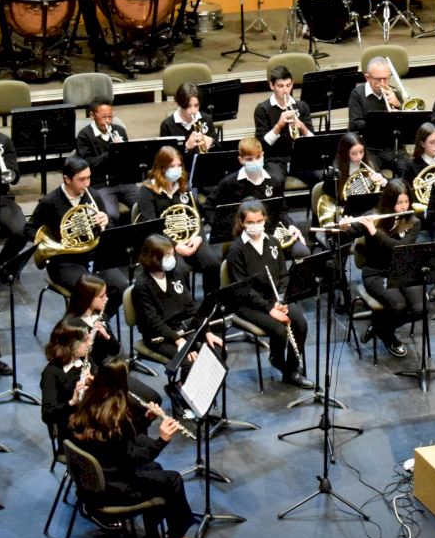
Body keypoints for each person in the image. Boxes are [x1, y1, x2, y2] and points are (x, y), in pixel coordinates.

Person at [68, 358, 200, 538]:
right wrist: (162, 440)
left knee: (156, 469)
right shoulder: (116, 417)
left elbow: (119, 442)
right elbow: (135, 458)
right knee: (173, 480)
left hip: (95, 478)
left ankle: (152, 531)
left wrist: (146, 419)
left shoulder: (89, 401)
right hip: (113, 489)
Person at [225, 199, 312, 389]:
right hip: (246, 303)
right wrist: (270, 309)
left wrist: (282, 299)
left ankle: (292, 369)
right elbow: (243, 290)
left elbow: (283, 275)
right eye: (250, 222)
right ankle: (278, 359)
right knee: (280, 330)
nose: (255, 226)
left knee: (301, 323)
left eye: (259, 221)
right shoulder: (236, 250)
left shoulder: (273, 242)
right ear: (242, 223)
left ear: (265, 219)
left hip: (274, 298)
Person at [28, 156, 126, 317]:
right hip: (64, 261)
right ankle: (87, 326)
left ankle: (100, 323)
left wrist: (105, 222)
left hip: (93, 256)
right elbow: (29, 229)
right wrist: (54, 239)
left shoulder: (93, 195)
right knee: (89, 292)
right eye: (82, 179)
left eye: (89, 178)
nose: (87, 183)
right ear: (67, 179)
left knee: (121, 287)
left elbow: (107, 232)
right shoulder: (50, 202)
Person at [65, 274, 162, 409]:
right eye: (102, 296)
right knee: (140, 407)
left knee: (154, 398)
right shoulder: (72, 326)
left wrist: (107, 337)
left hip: (109, 369)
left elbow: (115, 350)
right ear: (88, 298)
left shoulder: (99, 316)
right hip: (92, 377)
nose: (106, 299)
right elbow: (74, 364)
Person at [135, 146, 221, 297]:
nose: (177, 170)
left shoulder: (183, 187)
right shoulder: (147, 191)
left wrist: (199, 237)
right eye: (172, 166)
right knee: (181, 270)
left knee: (212, 264)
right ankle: (186, 306)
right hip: (165, 243)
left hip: (190, 238)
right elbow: (151, 227)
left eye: (179, 165)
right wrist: (175, 245)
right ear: (161, 168)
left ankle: (212, 304)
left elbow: (195, 216)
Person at [131, 234, 222, 374]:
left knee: (216, 350)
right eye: (167, 256)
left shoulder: (175, 273)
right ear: (154, 258)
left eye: (173, 254)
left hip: (180, 328)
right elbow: (153, 322)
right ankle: (183, 385)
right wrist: (178, 340)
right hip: (159, 336)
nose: (172, 259)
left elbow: (190, 305)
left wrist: (206, 331)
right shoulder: (142, 285)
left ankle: (195, 386)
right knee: (190, 362)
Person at [351, 180, 423, 358]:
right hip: (375, 272)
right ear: (389, 202)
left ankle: (379, 326)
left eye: (406, 202)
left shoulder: (414, 222)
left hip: (402, 270)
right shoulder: (374, 216)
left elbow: (399, 249)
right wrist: (346, 226)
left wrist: (375, 233)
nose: (403, 207)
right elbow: (350, 232)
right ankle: (388, 335)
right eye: (399, 203)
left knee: (420, 309)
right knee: (398, 306)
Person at [209, 137, 310, 260]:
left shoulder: (274, 181)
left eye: (258, 157)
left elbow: (282, 211)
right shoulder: (229, 183)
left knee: (302, 251)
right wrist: (228, 228)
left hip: (271, 232)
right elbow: (208, 206)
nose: (255, 162)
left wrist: (291, 226)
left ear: (263, 156)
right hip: (244, 235)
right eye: (249, 159)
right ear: (241, 160)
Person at [75, 96, 136, 223]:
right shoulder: (84, 135)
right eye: (104, 117)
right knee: (110, 215)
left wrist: (125, 150)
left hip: (123, 182)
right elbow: (87, 164)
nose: (108, 120)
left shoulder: (119, 131)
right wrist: (111, 151)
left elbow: (129, 160)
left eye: (110, 116)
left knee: (145, 204)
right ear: (92, 115)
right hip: (101, 185)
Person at [253, 65, 315, 185]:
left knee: (322, 175)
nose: (285, 90)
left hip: (299, 158)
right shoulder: (262, 109)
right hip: (274, 159)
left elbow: (312, 141)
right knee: (276, 181)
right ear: (272, 86)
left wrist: (302, 127)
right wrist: (278, 126)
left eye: (288, 85)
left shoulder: (302, 106)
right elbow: (261, 145)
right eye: (280, 86)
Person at [348, 56, 409, 175]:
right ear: (367, 77)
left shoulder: (394, 92)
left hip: (392, 147)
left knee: (408, 168)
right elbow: (355, 123)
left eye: (385, 79)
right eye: (377, 80)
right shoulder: (357, 94)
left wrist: (398, 104)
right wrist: (380, 122)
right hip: (369, 148)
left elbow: (406, 123)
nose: (382, 83)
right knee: (371, 174)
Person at [329, 131, 387, 208]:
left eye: (361, 152)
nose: (359, 157)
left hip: (370, 208)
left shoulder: (371, 165)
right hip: (347, 211)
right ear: (345, 153)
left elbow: (387, 190)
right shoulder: (335, 171)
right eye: (354, 153)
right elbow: (331, 199)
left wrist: (383, 182)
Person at [0, 127, 28, 279]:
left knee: (21, 231)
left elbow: (14, 175)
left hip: (1, 198)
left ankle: (1, 262)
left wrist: (8, 173)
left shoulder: (3, 141)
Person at [158, 82, 215, 158]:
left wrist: (212, 142)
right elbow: (164, 158)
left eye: (196, 105)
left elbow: (218, 149)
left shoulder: (206, 119)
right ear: (179, 104)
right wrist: (186, 147)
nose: (193, 111)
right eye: (188, 106)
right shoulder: (167, 125)